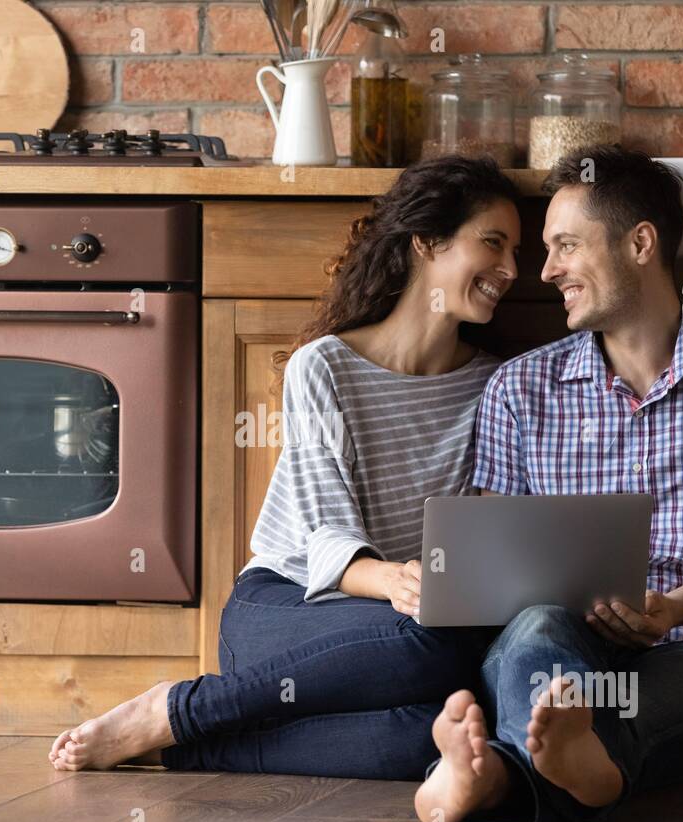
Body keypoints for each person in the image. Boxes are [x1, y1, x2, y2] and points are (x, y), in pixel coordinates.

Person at [49, 155, 523, 779]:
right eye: (493, 243)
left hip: (401, 623)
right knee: (434, 649)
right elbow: (327, 536)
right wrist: (398, 583)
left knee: (439, 736)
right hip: (287, 607)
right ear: (428, 243)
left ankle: (177, 745)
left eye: (516, 251)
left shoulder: (495, 384)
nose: (512, 270)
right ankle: (180, 709)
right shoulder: (324, 367)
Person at [415, 145, 683, 822]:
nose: (545, 271)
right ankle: (578, 770)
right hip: (556, 633)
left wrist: (672, 609)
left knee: (675, 691)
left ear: (641, 243)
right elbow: (494, 570)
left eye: (565, 245)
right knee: (537, 632)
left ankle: (493, 776)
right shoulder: (518, 388)